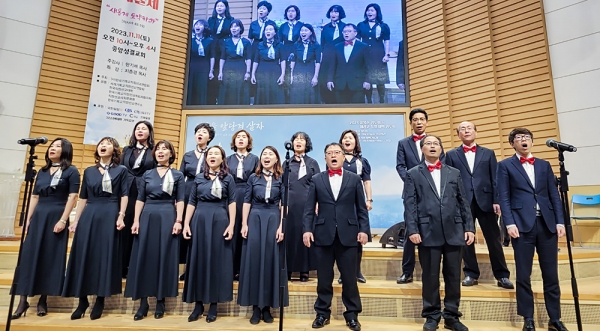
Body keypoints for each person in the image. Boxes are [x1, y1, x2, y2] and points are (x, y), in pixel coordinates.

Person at [497, 128, 568, 331]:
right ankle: (527, 317)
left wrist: (560, 221)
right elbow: (504, 196)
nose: (523, 140)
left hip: (546, 224)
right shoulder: (505, 166)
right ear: (512, 144)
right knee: (523, 274)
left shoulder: (544, 165)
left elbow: (553, 195)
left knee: (551, 274)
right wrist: (509, 223)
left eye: (527, 137)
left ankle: (554, 318)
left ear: (532, 142)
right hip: (521, 225)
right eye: (519, 138)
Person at [404, 135, 474, 331]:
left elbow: (463, 202)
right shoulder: (413, 173)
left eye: (436, 144)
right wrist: (413, 229)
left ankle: (452, 316)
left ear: (441, 149)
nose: (433, 146)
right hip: (427, 231)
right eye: (428, 144)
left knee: (453, 275)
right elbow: (409, 204)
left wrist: (469, 227)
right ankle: (432, 315)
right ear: (422, 149)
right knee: (430, 276)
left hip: (454, 230)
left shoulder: (454, 172)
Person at [303, 143, 369, 331]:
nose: (333, 155)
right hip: (323, 234)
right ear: (325, 158)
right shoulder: (316, 179)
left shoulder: (355, 179)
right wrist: (307, 230)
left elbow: (361, 208)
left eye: (337, 153)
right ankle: (322, 314)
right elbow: (309, 209)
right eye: (329, 153)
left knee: (349, 278)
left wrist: (364, 230)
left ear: (343, 157)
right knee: (324, 278)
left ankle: (352, 314)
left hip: (349, 235)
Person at [11, 138, 80, 319]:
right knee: (28, 256)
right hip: (39, 215)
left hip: (56, 215)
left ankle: (43, 299)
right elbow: (34, 197)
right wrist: (28, 219)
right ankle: (22, 300)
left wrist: (63, 220)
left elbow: (72, 197)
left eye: (58, 146)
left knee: (50, 256)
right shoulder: (41, 171)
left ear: (65, 150)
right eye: (52, 146)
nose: (53, 149)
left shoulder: (71, 171)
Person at [63, 137, 130, 320]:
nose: (103, 146)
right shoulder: (89, 171)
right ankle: (82, 299)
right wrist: (76, 219)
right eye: (101, 143)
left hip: (110, 212)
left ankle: (100, 299)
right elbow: (83, 197)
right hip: (90, 213)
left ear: (114, 149)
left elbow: (124, 195)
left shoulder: (121, 170)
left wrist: (121, 215)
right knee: (84, 254)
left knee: (104, 255)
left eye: (107, 143)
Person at [445, 121, 514, 289]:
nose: (466, 131)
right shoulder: (452, 154)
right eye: (462, 129)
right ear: (458, 134)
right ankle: (470, 273)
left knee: (494, 239)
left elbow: (495, 178)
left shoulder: (488, 153)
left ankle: (502, 275)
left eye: (469, 128)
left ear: (475, 132)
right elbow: (450, 180)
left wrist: (496, 200)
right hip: (462, 202)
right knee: (466, 240)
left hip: (486, 201)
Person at [124, 140, 184, 320]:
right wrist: (136, 220)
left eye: (165, 149)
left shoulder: (177, 175)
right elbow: (140, 199)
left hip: (168, 215)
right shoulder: (147, 175)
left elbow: (180, 199)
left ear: (171, 154)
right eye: (158, 149)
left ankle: (160, 300)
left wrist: (179, 220)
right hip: (148, 215)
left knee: (163, 256)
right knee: (144, 256)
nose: (161, 152)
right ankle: (143, 302)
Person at [182, 145, 236, 323]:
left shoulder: (228, 178)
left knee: (216, 261)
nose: (212, 156)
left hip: (220, 219)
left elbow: (232, 203)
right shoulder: (199, 178)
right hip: (199, 219)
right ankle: (198, 305)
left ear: (222, 158)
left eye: (216, 154)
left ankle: (213, 305)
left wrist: (231, 224)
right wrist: (186, 224)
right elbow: (192, 201)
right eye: (210, 154)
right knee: (199, 260)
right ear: (206, 159)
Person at [237, 146, 287, 324]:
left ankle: (267, 307)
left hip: (274, 218)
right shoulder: (253, 177)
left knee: (270, 261)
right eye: (264, 154)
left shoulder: (281, 178)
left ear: (276, 159)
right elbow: (247, 201)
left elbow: (284, 204)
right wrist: (244, 223)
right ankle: (255, 308)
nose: (267, 157)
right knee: (255, 260)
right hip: (255, 218)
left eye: (270, 154)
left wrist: (282, 226)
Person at [395, 108, 445, 285]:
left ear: (427, 122)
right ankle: (406, 271)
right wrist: (412, 181)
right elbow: (400, 166)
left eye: (422, 119)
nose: (419, 122)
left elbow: (442, 164)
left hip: (434, 193)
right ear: (410, 123)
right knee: (411, 230)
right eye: (415, 119)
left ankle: (431, 272)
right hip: (411, 193)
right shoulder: (403, 143)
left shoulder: (435, 142)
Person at [178, 123, 215, 279]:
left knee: (200, 229)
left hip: (206, 192)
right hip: (188, 191)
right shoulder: (187, 155)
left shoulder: (214, 154)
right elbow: (180, 177)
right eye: (198, 131)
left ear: (210, 137)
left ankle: (200, 268)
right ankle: (186, 268)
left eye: (204, 132)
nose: (200, 134)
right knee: (187, 229)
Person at [121, 120, 156, 279]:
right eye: (138, 128)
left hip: (144, 192)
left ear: (150, 133)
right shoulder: (127, 150)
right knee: (124, 227)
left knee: (138, 228)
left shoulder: (154, 151)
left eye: (144, 128)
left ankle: (133, 266)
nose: (140, 131)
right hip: (125, 190)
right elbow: (120, 169)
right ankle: (120, 265)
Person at [337, 130, 372, 284]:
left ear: (355, 142)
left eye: (350, 138)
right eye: (345, 138)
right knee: (341, 237)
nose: (347, 140)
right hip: (340, 203)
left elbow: (367, 181)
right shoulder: (336, 159)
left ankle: (357, 271)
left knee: (358, 237)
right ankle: (341, 273)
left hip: (357, 202)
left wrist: (369, 199)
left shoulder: (363, 161)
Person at [226, 130, 260, 280]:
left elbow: (257, 178)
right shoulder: (227, 159)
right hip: (231, 195)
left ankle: (243, 268)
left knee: (245, 230)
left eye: (244, 137)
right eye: (238, 137)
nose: (241, 139)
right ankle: (230, 268)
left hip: (248, 195)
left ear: (248, 141)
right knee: (231, 229)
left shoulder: (255, 159)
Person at [286, 132, 320, 282]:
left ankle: (304, 270)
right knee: (290, 235)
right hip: (289, 203)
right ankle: (287, 268)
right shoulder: (286, 162)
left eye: (302, 139)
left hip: (308, 204)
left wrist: (318, 203)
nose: (298, 142)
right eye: (296, 139)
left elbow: (319, 185)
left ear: (307, 144)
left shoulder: (312, 163)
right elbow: (282, 184)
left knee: (304, 234)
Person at [326, 24, 370, 104]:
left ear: (355, 33)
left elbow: (368, 66)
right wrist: (329, 80)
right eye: (344, 32)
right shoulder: (337, 46)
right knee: (341, 111)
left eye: (349, 31)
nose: (346, 33)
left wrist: (367, 81)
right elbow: (332, 65)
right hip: (340, 83)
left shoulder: (364, 47)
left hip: (357, 84)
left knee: (357, 111)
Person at [356, 3, 391, 103]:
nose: (369, 12)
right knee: (367, 79)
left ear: (377, 12)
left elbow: (387, 41)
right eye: (368, 10)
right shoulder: (361, 25)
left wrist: (386, 54)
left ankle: (381, 100)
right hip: (365, 55)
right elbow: (357, 40)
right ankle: (369, 102)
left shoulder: (384, 26)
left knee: (380, 79)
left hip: (378, 55)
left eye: (372, 10)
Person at [248, 1, 276, 105]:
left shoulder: (271, 24)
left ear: (268, 11)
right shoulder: (253, 24)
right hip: (255, 47)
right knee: (254, 72)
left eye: (264, 9)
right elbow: (250, 39)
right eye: (260, 8)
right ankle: (255, 99)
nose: (261, 10)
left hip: (267, 47)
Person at [218, 19, 252, 105]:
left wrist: (248, 72)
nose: (234, 29)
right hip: (228, 68)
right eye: (232, 27)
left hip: (241, 67)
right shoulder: (226, 42)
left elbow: (248, 58)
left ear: (240, 28)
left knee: (240, 90)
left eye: (236, 26)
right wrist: (220, 72)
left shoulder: (246, 42)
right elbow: (222, 58)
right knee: (227, 90)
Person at [207, 0, 235, 104]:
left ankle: (222, 98)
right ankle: (211, 99)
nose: (219, 8)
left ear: (226, 8)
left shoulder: (230, 20)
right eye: (217, 6)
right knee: (212, 70)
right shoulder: (211, 19)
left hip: (224, 47)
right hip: (212, 46)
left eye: (221, 6)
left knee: (221, 70)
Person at [251, 22, 285, 105]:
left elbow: (283, 60)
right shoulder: (260, 44)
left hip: (275, 71)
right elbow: (256, 60)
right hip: (262, 71)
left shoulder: (280, 45)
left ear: (275, 32)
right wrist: (253, 74)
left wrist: (282, 75)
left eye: (270, 30)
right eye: (266, 30)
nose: (268, 31)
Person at [319, 5, 346, 104]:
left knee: (337, 78)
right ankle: (326, 102)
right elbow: (322, 44)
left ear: (340, 14)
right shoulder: (325, 27)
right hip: (327, 57)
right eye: (331, 12)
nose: (333, 14)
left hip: (340, 58)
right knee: (325, 78)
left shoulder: (345, 27)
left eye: (336, 12)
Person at [289, 24, 321, 104]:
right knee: (297, 94)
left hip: (310, 70)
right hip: (298, 70)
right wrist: (291, 75)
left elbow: (318, 62)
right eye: (302, 30)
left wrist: (315, 77)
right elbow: (293, 60)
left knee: (310, 94)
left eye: (306, 30)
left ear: (311, 33)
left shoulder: (316, 46)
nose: (303, 32)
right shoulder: (296, 44)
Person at [187, 19, 215, 105]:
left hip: (204, 66)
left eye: (200, 25)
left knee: (202, 88)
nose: (197, 26)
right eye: (196, 24)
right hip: (192, 66)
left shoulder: (210, 41)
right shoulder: (190, 40)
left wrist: (211, 71)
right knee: (191, 88)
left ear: (205, 28)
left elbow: (212, 56)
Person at [279, 5, 303, 103]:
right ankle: (285, 100)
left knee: (294, 73)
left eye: (293, 11)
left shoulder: (301, 25)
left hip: (297, 50)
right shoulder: (283, 26)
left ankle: (295, 99)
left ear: (296, 13)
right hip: (285, 50)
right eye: (288, 11)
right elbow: (279, 41)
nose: (290, 13)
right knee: (286, 74)